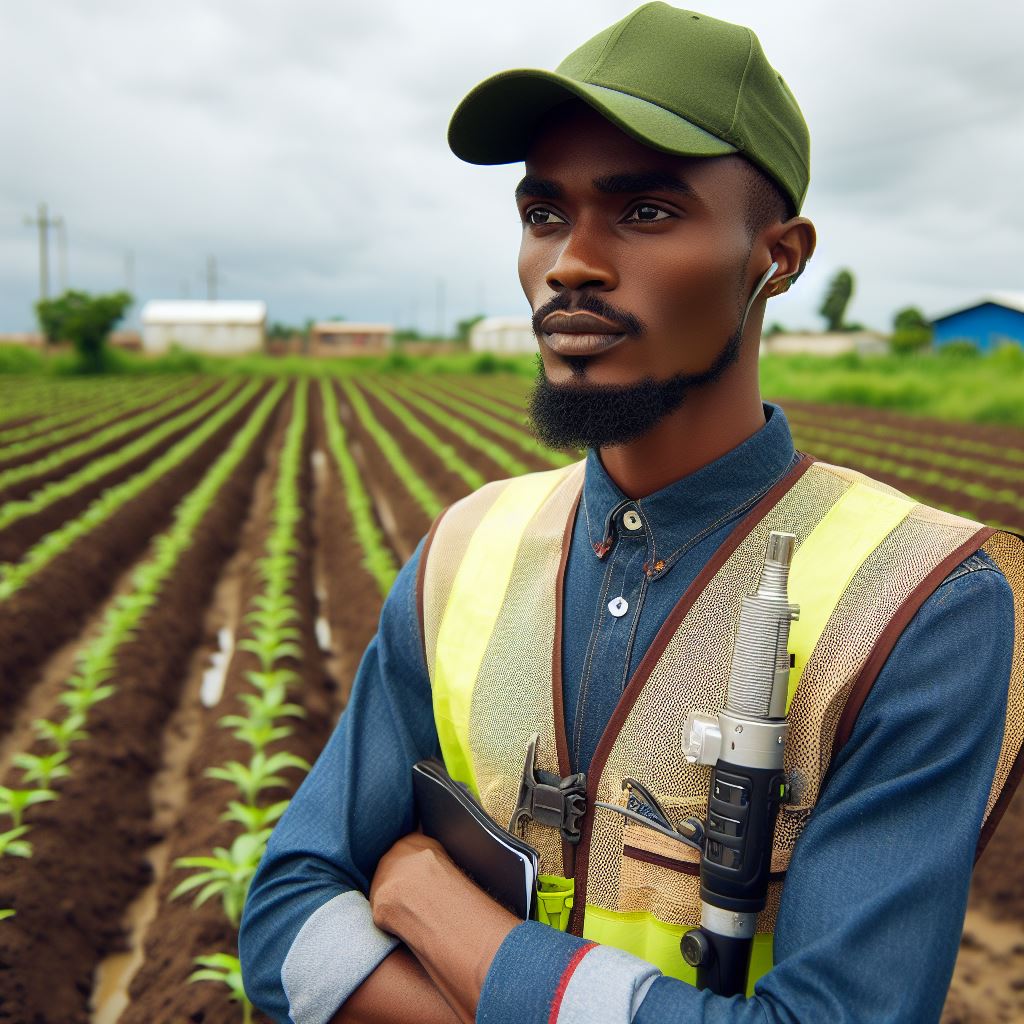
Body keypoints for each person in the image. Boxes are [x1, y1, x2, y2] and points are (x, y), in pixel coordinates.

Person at [239, 5, 1023, 1023]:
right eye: (542, 213)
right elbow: (282, 921)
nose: (571, 261)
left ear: (777, 257)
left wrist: (442, 911)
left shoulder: (925, 600)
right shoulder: (461, 551)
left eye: (645, 212)